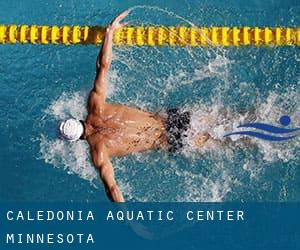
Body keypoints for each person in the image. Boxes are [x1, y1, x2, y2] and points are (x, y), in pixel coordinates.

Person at [58, 11, 210, 202]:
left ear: (76, 140)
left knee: (228, 141)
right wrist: (109, 33)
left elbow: (112, 189)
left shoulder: (99, 152)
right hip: (172, 118)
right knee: (226, 118)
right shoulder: (95, 105)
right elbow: (103, 66)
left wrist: (129, 221)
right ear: (76, 119)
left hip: (171, 140)